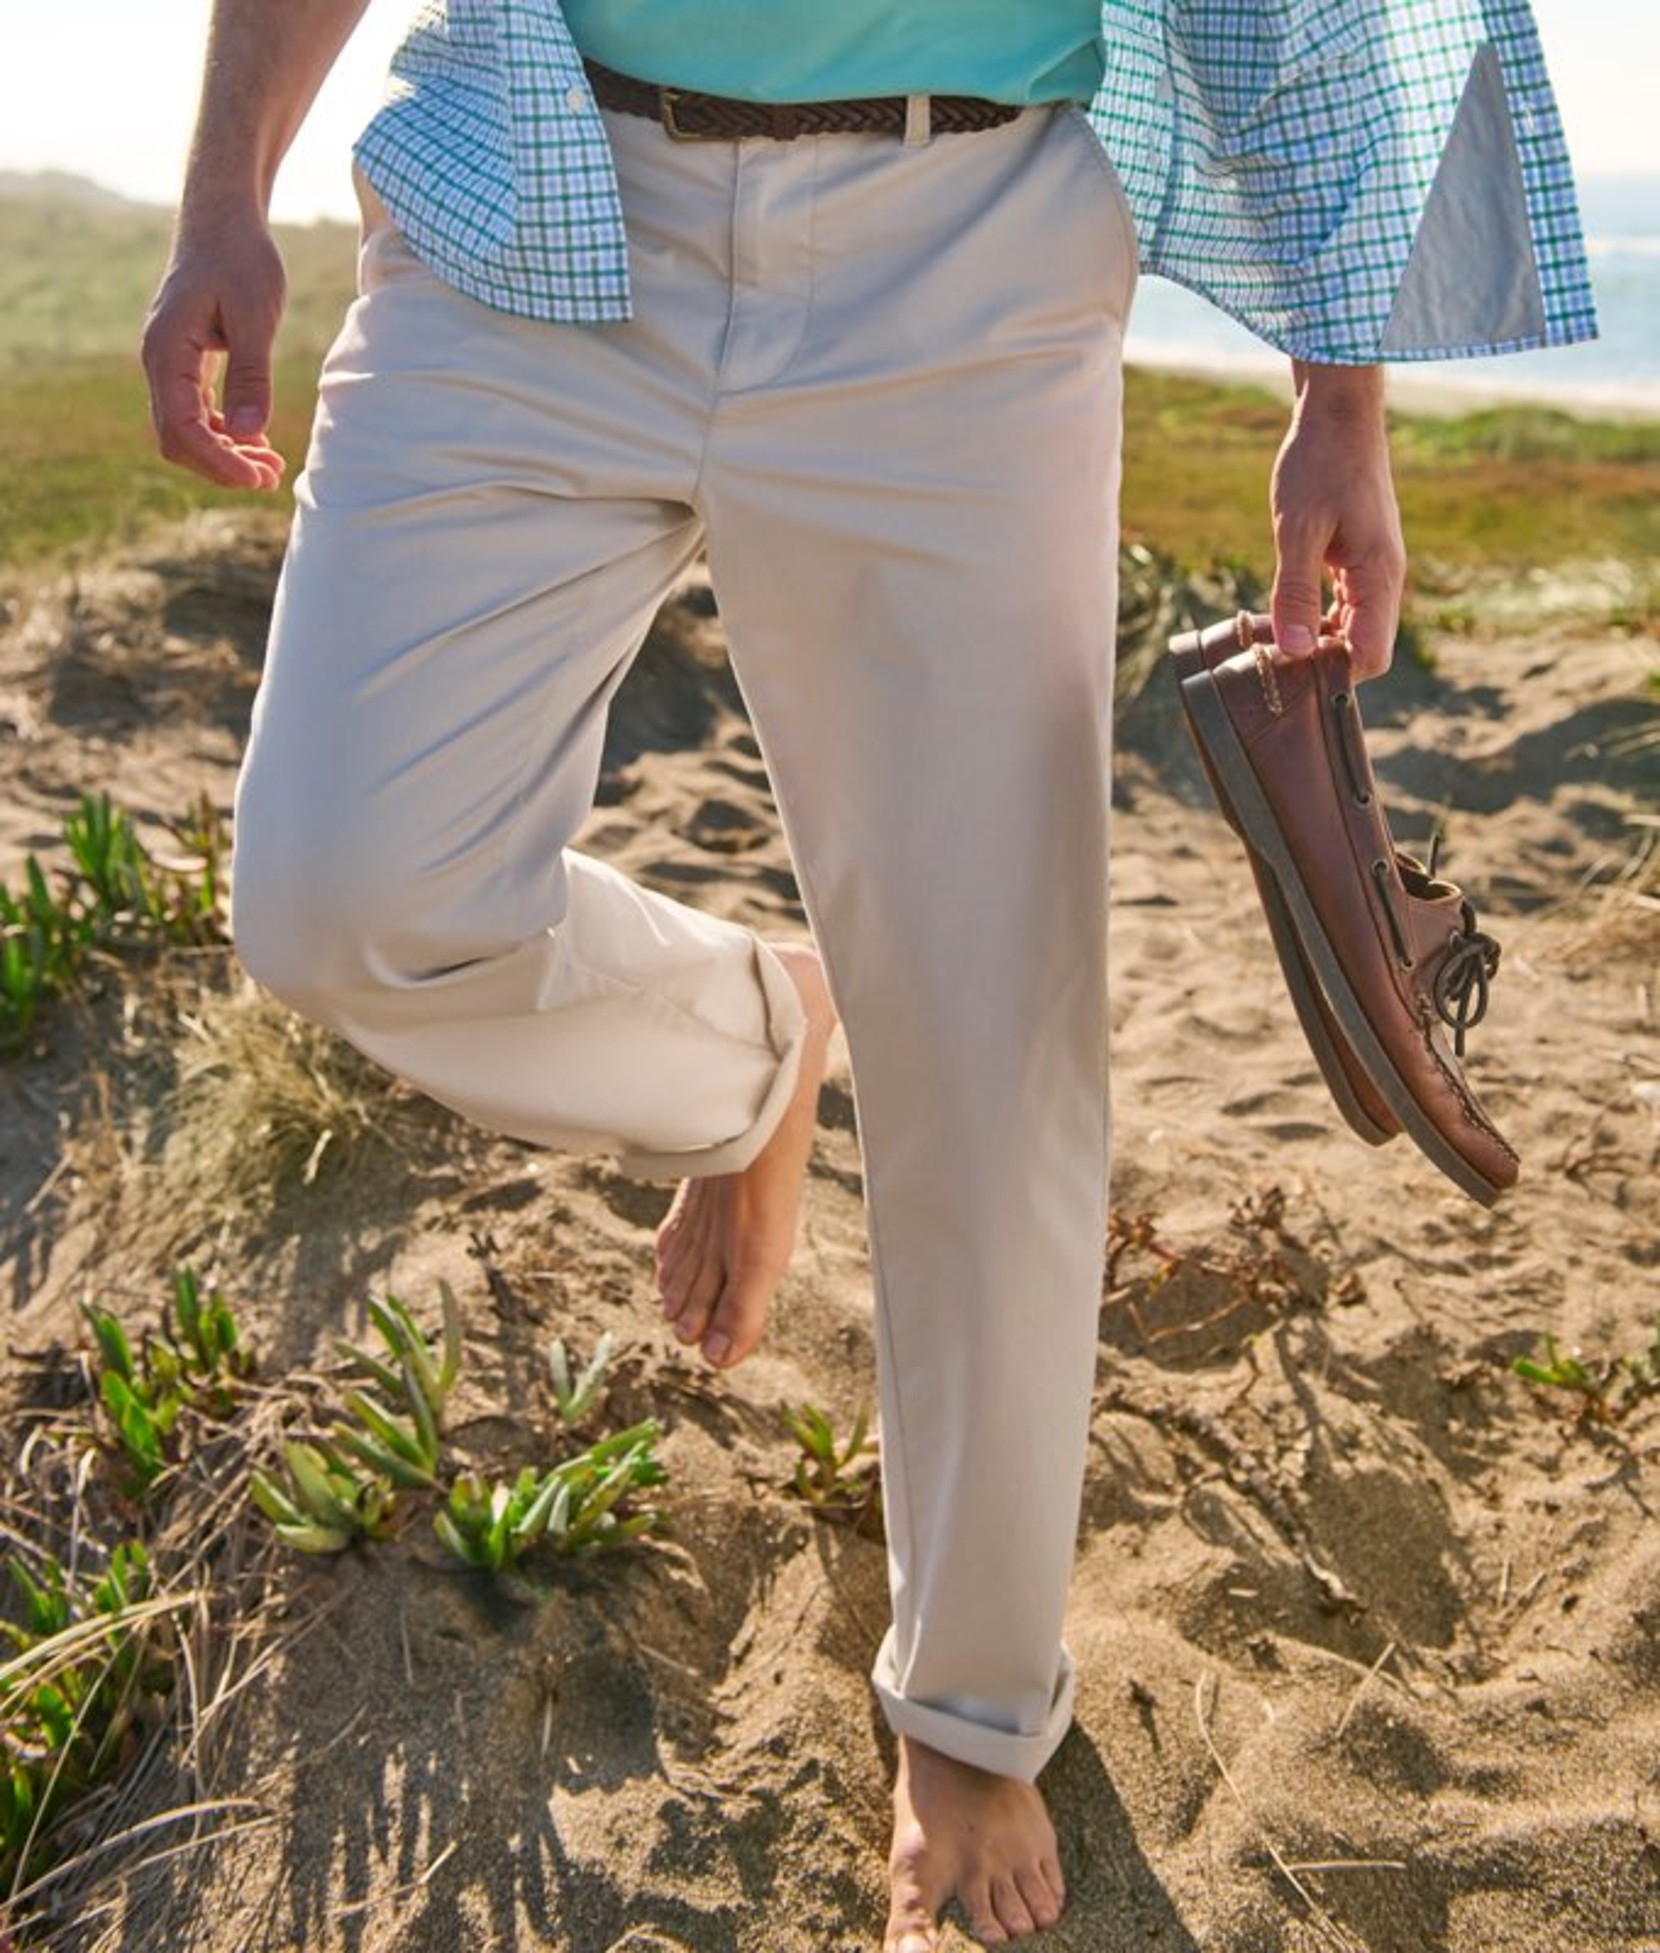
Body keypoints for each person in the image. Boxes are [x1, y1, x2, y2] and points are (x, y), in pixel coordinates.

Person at [142, 5, 1592, 1946]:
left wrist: (1340, 402)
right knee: (337, 889)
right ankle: (753, 1040)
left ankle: (970, 1709)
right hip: (535, 193)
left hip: (964, 248)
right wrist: (221, 189)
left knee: (995, 1036)